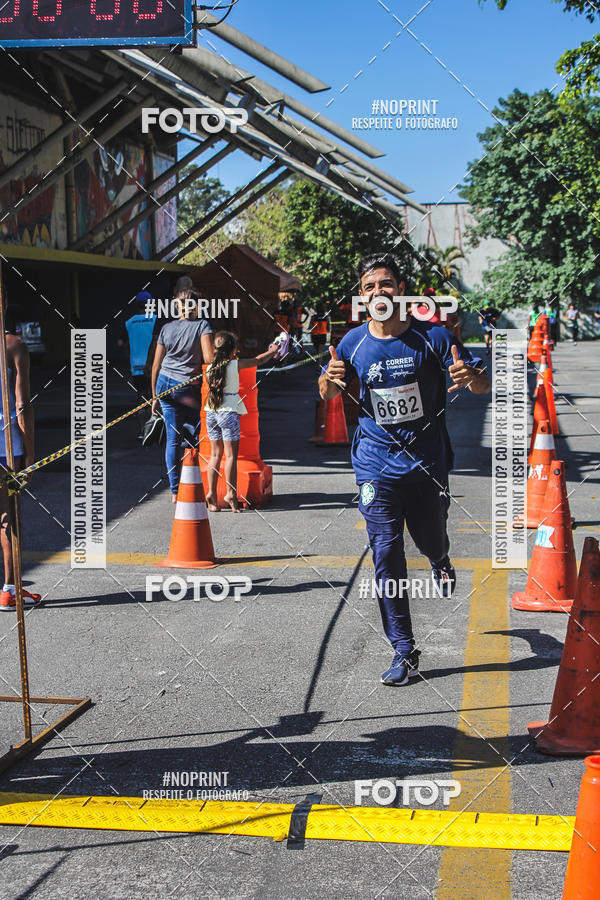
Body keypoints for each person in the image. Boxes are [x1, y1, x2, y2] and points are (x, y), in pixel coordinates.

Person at [318, 252, 490, 686]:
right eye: (370, 286)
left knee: (429, 536)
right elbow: (326, 394)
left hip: (426, 462)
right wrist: (329, 381)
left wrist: (472, 377)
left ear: (401, 290)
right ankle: (403, 648)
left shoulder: (433, 337)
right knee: (385, 548)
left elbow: (482, 383)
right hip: (374, 464)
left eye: (387, 283)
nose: (379, 291)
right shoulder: (352, 343)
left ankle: (441, 559)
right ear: (362, 295)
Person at [205, 331, 280, 512]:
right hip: (228, 413)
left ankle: (211, 495)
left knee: (215, 456)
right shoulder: (235, 365)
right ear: (233, 350)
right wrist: (275, 349)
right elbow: (259, 360)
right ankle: (231, 493)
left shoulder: (209, 368)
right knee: (231, 456)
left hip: (211, 412)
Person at [151, 291, 214, 502]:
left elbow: (156, 365)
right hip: (186, 386)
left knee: (172, 439)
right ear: (196, 306)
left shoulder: (166, 328)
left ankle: (175, 491)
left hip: (164, 385)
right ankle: (201, 482)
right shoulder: (202, 325)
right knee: (201, 429)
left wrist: (153, 397)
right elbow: (209, 358)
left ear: (178, 307)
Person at [0, 310, 40, 610]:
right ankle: (10, 589)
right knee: (10, 518)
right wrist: (30, 452)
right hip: (6, 449)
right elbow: (22, 403)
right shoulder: (14, 346)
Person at [118, 291, 157, 438]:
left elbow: (120, 342)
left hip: (136, 366)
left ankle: (143, 431)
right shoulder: (155, 320)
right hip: (154, 365)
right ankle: (156, 428)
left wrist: (131, 351)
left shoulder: (129, 322)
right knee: (156, 397)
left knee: (141, 398)